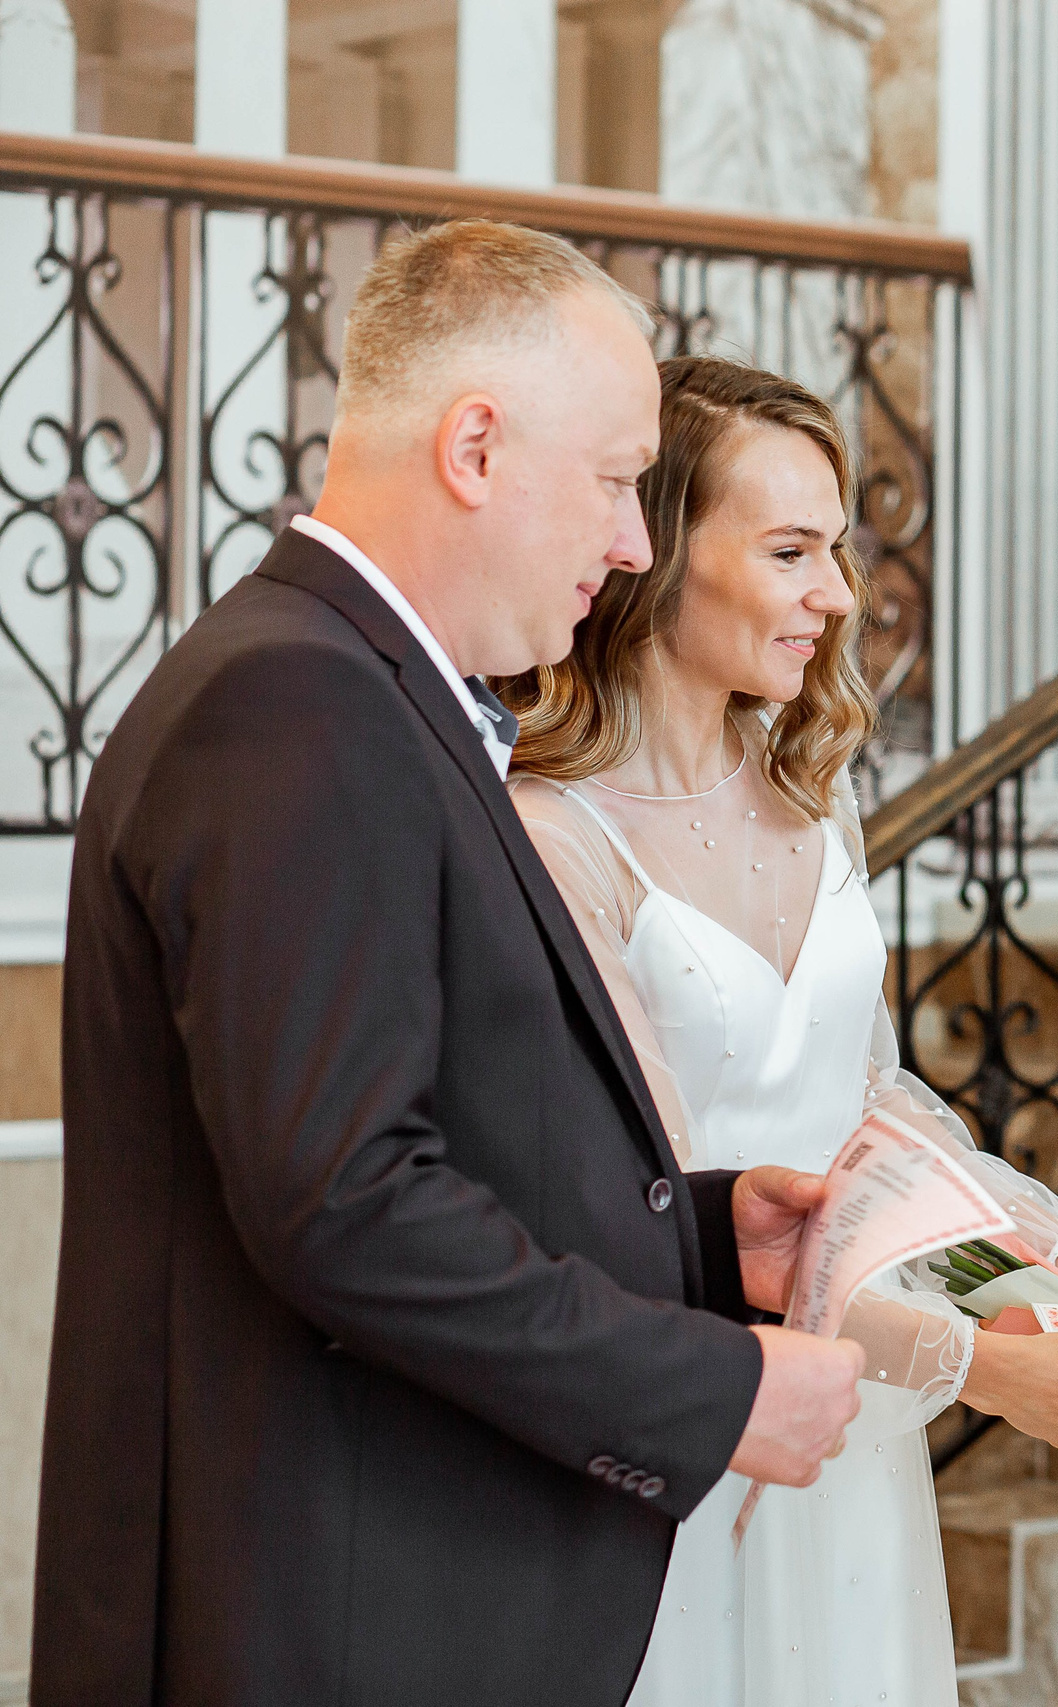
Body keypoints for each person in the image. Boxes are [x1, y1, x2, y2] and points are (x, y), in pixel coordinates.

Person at [32, 221, 867, 1707]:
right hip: (326, 1621)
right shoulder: (301, 704)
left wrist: (702, 1237)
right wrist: (710, 1387)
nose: (630, 545)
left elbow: (425, 1128)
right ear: (475, 447)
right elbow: (346, 1205)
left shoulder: (353, 686)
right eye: (617, 481)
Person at [501, 354, 1058, 1706]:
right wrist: (986, 1365)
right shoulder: (551, 835)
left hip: (856, 1440)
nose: (837, 594)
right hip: (696, 1415)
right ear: (650, 555)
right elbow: (637, 1213)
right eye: (789, 550)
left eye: (839, 550)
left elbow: (873, 1106)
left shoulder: (812, 801)